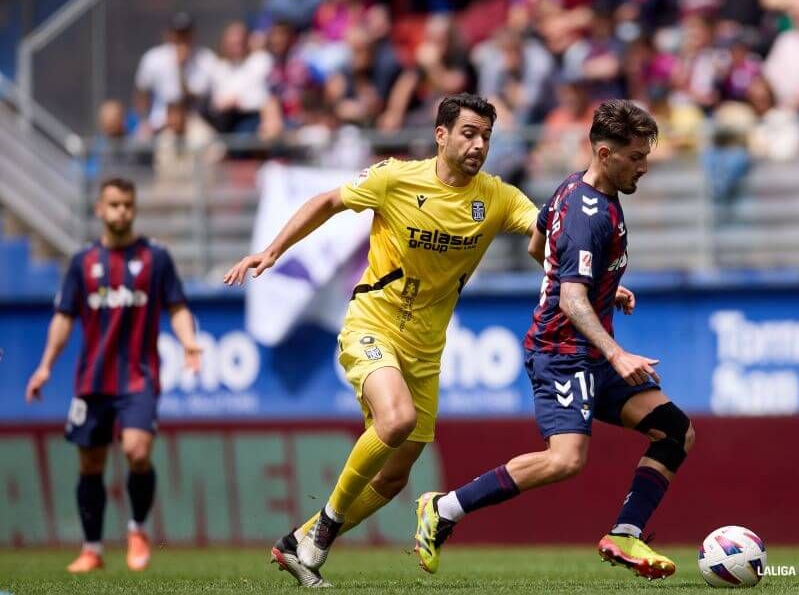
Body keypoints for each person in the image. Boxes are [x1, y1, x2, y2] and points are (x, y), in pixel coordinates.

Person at [223, 93, 540, 587]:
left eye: (486, 137)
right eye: (469, 133)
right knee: (397, 419)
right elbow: (327, 202)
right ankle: (325, 530)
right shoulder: (395, 177)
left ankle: (296, 545)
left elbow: (545, 232)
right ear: (441, 135)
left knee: (394, 479)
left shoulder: (497, 197)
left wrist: (588, 277)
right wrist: (271, 251)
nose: (479, 145)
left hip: (426, 350)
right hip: (372, 325)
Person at [413, 100, 695, 581]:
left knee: (675, 431)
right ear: (605, 154)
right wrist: (614, 348)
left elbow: (538, 245)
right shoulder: (590, 215)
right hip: (563, 354)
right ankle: (444, 509)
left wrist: (602, 286)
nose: (644, 166)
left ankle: (625, 532)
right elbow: (569, 299)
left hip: (591, 349)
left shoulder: (570, 187)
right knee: (565, 460)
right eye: (635, 157)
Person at [25, 177, 202, 573]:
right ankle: (92, 549)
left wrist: (189, 341)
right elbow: (64, 317)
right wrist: (45, 366)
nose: (121, 211)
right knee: (90, 463)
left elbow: (176, 307)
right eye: (114, 204)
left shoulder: (156, 258)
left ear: (134, 208)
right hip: (92, 379)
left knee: (137, 451)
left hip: (139, 376)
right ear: (100, 210)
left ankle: (137, 530)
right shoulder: (82, 262)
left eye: (127, 204)